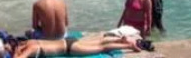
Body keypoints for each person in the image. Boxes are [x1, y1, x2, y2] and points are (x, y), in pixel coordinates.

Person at [12, 34, 144, 58]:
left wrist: (15, 53)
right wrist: (17, 50)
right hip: (69, 41)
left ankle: (129, 46)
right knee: (99, 41)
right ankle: (120, 39)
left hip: (71, 49)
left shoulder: (31, 49)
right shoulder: (30, 42)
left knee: (102, 48)